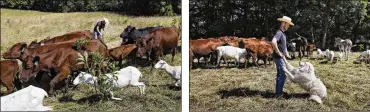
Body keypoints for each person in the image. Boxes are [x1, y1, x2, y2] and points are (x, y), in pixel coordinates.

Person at [271, 16, 293, 97]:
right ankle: (278, 94)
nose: (289, 26)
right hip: (278, 57)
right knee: (282, 74)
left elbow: (284, 46)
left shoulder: (283, 33)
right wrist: (278, 52)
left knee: (281, 74)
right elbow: (273, 42)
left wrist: (286, 54)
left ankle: (279, 90)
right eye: (288, 24)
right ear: (283, 23)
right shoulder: (279, 32)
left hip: (281, 57)